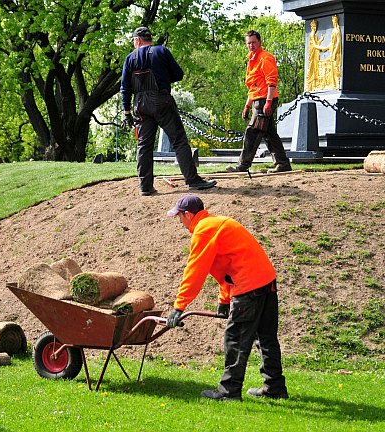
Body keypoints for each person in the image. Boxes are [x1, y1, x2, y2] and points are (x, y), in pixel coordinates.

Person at [166, 194, 289, 401]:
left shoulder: (203, 231)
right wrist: (224, 301)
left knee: (236, 340)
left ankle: (229, 392)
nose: (179, 222)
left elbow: (195, 270)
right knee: (266, 338)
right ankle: (275, 388)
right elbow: (227, 268)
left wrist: (179, 306)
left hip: (249, 287)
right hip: (267, 282)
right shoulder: (219, 222)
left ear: (188, 214)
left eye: (179, 217)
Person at [121, 27, 216, 196]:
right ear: (149, 38)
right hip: (161, 100)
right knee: (178, 140)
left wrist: (127, 112)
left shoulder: (130, 59)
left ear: (137, 40)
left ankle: (145, 187)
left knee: (144, 145)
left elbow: (125, 88)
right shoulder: (161, 51)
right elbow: (178, 74)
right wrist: (163, 76)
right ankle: (193, 180)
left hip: (140, 105)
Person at [227, 30, 292, 174]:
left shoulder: (265, 58)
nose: (251, 45)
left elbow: (271, 82)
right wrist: (247, 106)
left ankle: (242, 166)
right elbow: (253, 86)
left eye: (253, 42)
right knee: (269, 133)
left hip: (265, 100)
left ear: (259, 42)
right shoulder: (251, 60)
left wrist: (268, 102)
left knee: (253, 131)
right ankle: (283, 164)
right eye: (248, 43)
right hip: (258, 100)